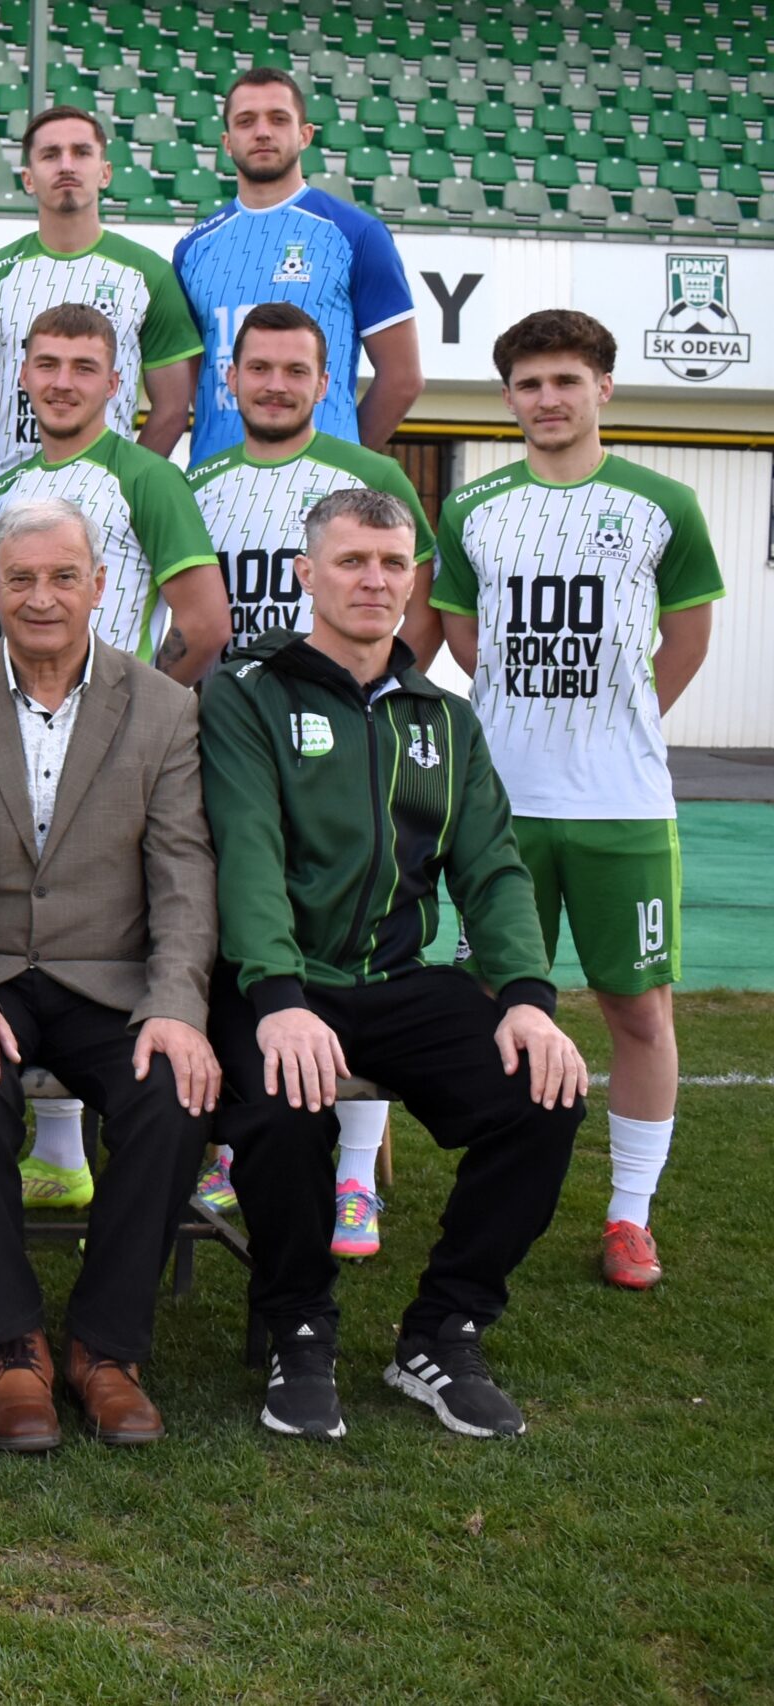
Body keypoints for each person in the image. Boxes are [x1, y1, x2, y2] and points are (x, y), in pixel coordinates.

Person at [202, 487, 588, 1442]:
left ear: (414, 579)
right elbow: (247, 851)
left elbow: (491, 866)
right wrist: (278, 998)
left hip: (395, 978)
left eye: (391, 563)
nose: (373, 580)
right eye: (351, 561)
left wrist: (527, 998)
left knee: (543, 1096)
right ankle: (298, 1328)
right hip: (270, 980)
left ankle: (444, 1331)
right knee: (284, 1104)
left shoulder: (443, 719)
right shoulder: (247, 692)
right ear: (307, 574)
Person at [430, 310, 722, 1292]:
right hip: (502, 809)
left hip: (622, 807)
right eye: (528, 383)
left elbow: (687, 637)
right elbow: (463, 638)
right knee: (487, 1002)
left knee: (636, 1008)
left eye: (565, 380)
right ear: (507, 396)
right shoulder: (474, 508)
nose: (547, 398)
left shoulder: (662, 504)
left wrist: (613, 722)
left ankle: (629, 1213)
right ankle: (493, 1184)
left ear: (604, 387)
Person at [0, 498, 220, 1448]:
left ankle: (105, 1348)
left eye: (63, 577)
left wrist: (175, 1006)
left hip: (110, 979)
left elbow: (183, 875)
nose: (42, 598)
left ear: (100, 586)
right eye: (20, 579)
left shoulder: (164, 708)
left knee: (172, 1090)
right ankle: (10, 1348)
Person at [187, 299, 440, 1249]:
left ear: (327, 384)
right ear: (230, 380)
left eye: (297, 370)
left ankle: (354, 1176)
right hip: (234, 736)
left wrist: (373, 708)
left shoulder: (372, 476)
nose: (276, 385)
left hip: (343, 738)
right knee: (234, 927)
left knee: (365, 939)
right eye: (259, 368)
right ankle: (231, 1146)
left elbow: (411, 602)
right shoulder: (198, 481)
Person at [175, 67, 421, 466]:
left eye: (278, 119)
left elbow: (403, 378)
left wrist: (345, 462)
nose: (262, 132)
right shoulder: (192, 250)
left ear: (305, 134)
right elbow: (191, 383)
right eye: (246, 121)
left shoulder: (357, 234)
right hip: (216, 481)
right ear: (227, 142)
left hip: (324, 487)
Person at [0, 104, 201, 488]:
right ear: (28, 178)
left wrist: (126, 486)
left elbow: (172, 409)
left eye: (81, 152)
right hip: (12, 500)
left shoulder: (150, 275)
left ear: (105, 172)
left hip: (106, 499)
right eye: (50, 155)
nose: (66, 165)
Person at [0, 305, 230, 686]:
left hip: (118, 716)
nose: (63, 383)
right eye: (48, 365)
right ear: (24, 375)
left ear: (113, 384)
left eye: (84, 368)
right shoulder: (0, 493)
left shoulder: (149, 478)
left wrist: (142, 705)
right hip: (16, 714)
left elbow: (206, 625)